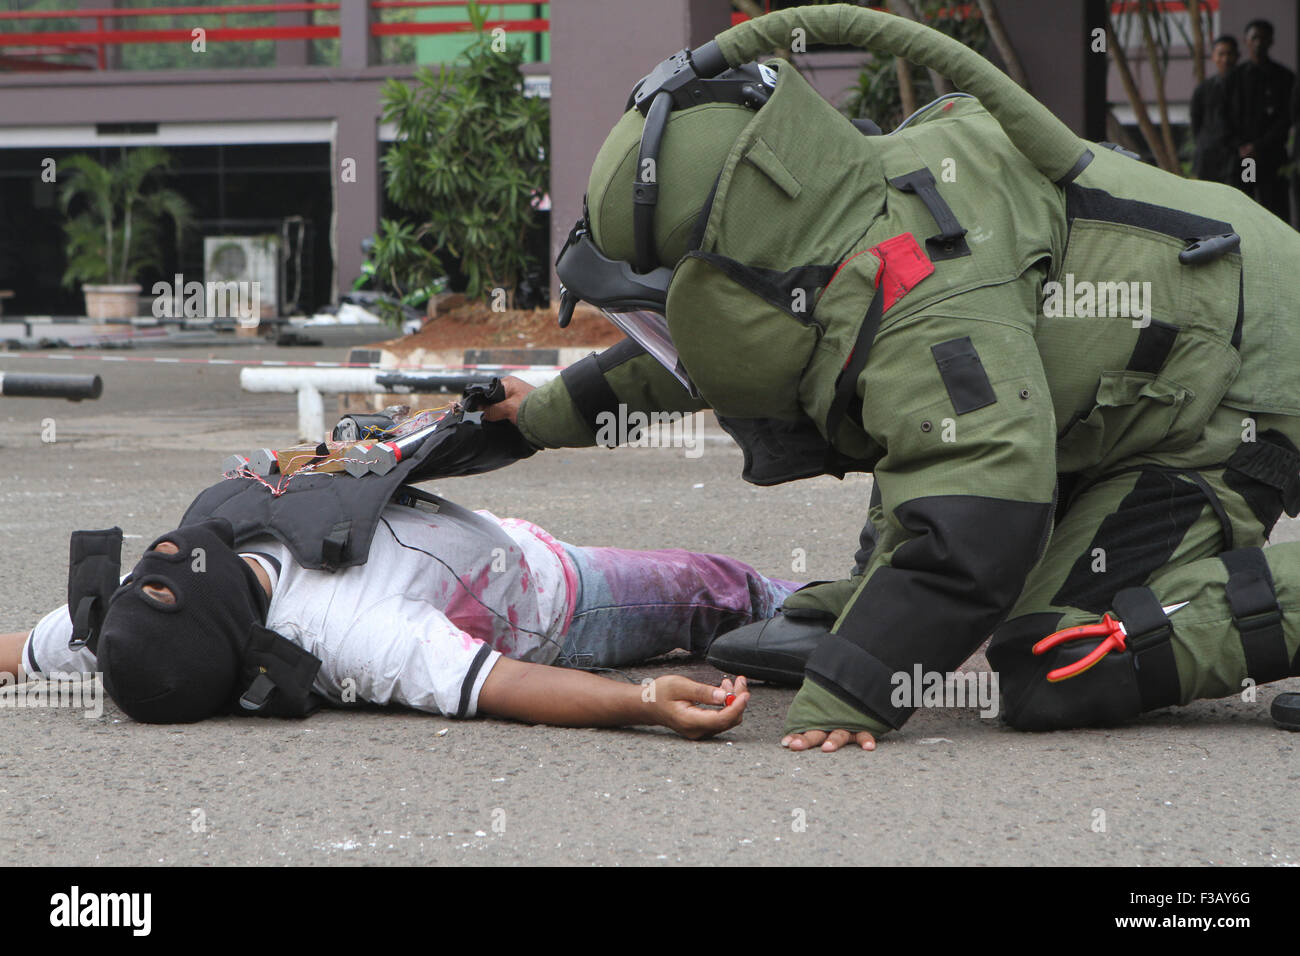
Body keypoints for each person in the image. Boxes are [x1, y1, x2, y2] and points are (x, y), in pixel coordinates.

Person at [486, 4, 1300, 752]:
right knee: (924, 434)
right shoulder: (821, 233)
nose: (664, 334)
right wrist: (534, 416)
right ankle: (878, 610)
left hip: (1234, 391)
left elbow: (982, 512)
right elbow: (689, 355)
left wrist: (855, 688)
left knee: (1055, 660)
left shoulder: (925, 289)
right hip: (1113, 396)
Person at [0, 492, 796, 738]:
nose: (153, 566)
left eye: (143, 577)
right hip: (556, 597)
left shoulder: (108, 631)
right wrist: (648, 701)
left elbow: (13, 651)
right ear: (214, 629)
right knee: (715, 591)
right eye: (164, 587)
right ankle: (825, 613)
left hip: (483, 535)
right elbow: (503, 685)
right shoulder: (351, 633)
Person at [1225, 19, 1293, 219]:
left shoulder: (1284, 77)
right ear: (1246, 41)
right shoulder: (1234, 78)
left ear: (1271, 41)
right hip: (1246, 159)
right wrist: (1241, 146)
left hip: (1271, 156)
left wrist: (1259, 145)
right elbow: (1224, 116)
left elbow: (1286, 117)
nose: (1258, 43)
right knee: (1245, 205)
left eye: (1263, 38)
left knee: (1275, 209)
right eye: (1254, 38)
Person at [1191, 35, 1238, 184]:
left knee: (1246, 193)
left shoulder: (1247, 85)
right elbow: (1196, 122)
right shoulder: (1203, 89)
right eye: (1221, 54)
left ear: (1237, 56)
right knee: (1208, 197)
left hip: (1243, 157)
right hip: (1208, 155)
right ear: (1213, 57)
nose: (1225, 59)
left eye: (1229, 54)